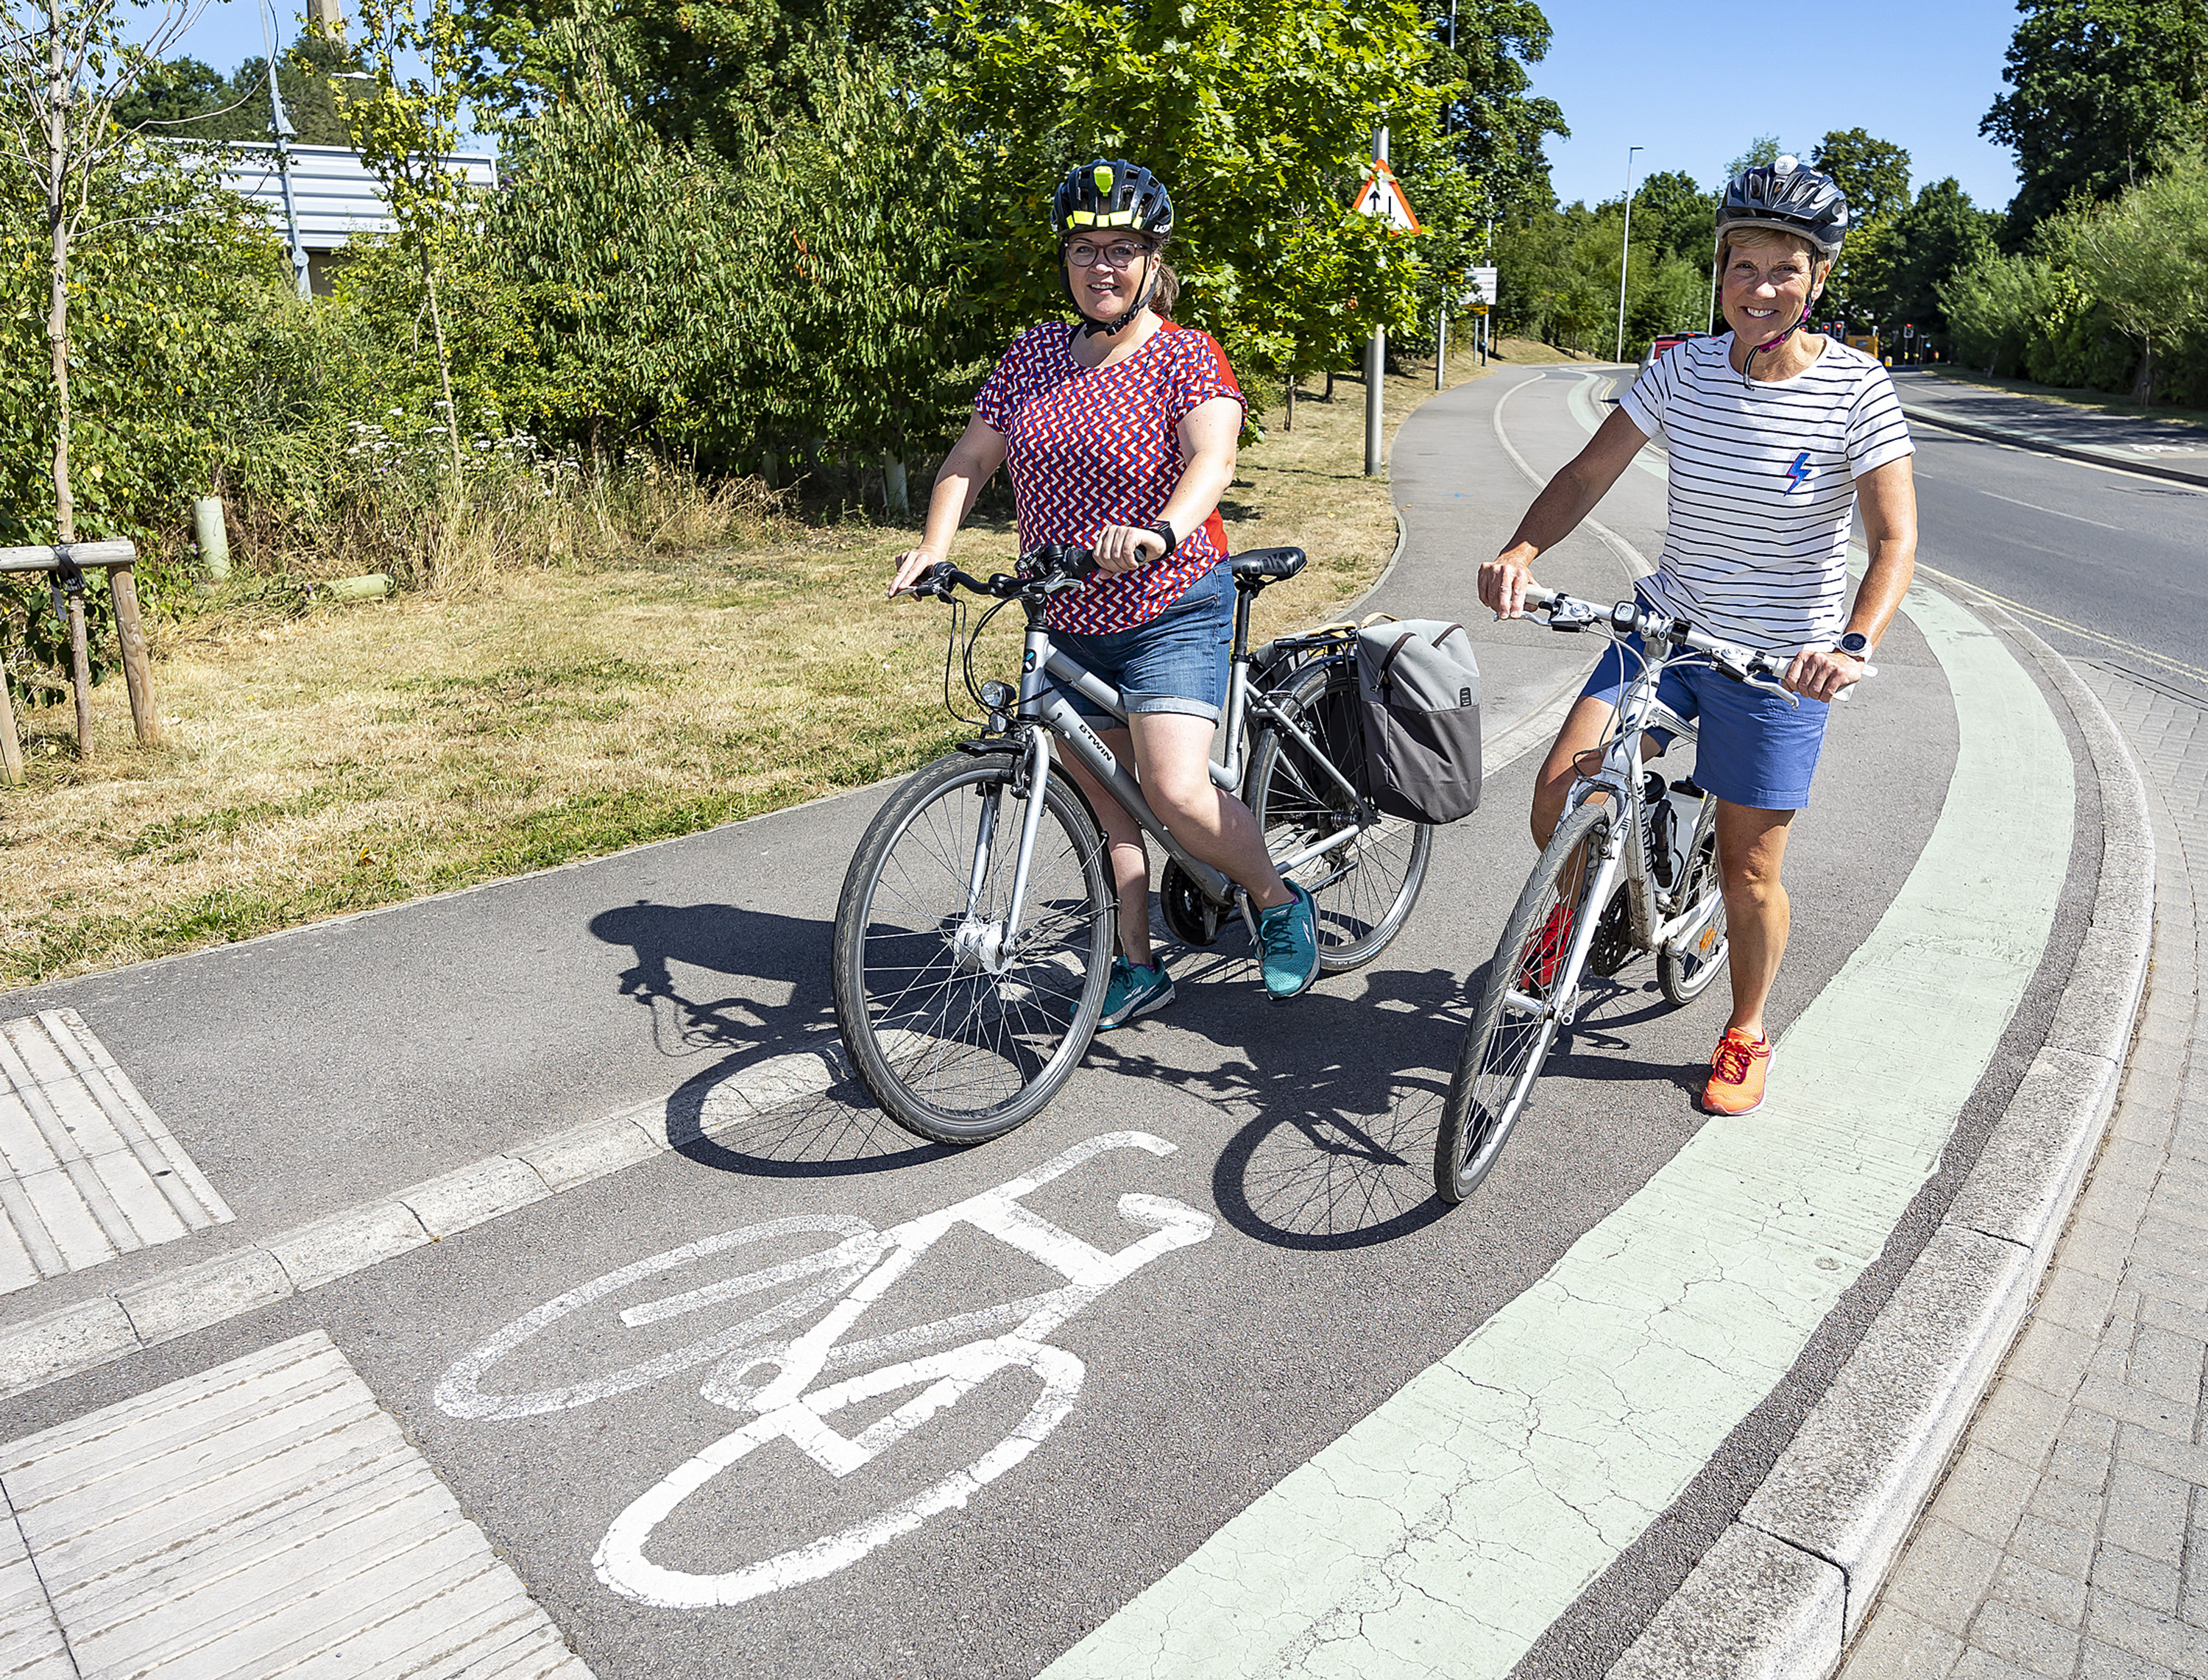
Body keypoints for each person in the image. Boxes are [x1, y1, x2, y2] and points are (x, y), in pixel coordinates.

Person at [1478, 157, 1918, 1116]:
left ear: (1819, 279)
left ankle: (1747, 1026)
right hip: (1667, 628)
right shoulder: (1680, 370)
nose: (1761, 288)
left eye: (1785, 269)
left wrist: (1852, 642)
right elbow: (1589, 473)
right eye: (1744, 265)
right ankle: (1582, 909)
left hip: (1776, 660)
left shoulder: (1858, 390)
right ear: (1719, 271)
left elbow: (1893, 539)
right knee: (1560, 795)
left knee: (1751, 865)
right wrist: (1521, 546)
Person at [886, 159, 1320, 1027]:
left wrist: (1160, 529)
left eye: (1122, 248)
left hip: (1170, 605)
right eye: (1084, 248)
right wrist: (934, 546)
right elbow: (973, 459)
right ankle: (1135, 965)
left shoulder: (1185, 355)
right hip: (1068, 611)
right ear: (1065, 259)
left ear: (1153, 258)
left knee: (1173, 792)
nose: (1101, 266)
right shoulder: (1034, 354)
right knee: (1104, 802)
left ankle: (1275, 900)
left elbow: (1213, 459)